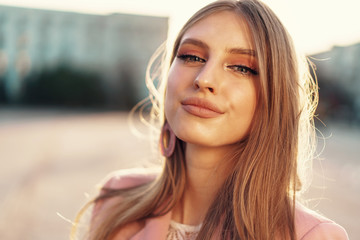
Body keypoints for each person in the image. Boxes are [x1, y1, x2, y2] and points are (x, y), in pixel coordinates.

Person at [72, 0, 349, 239]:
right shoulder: (116, 199)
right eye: (191, 56)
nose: (204, 79)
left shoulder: (309, 235)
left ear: (274, 98)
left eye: (241, 67)